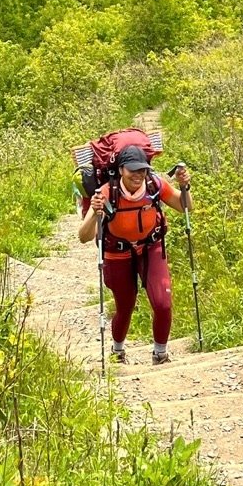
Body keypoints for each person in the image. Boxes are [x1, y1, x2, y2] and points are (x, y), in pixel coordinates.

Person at [78, 145, 191, 365]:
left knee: (163, 303)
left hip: (151, 247)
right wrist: (95, 212)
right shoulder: (106, 193)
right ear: (121, 170)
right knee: (125, 305)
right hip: (116, 254)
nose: (138, 175)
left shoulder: (154, 185)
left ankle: (160, 354)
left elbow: (184, 206)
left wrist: (185, 187)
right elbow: (83, 236)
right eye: (133, 170)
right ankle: (118, 350)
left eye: (142, 170)